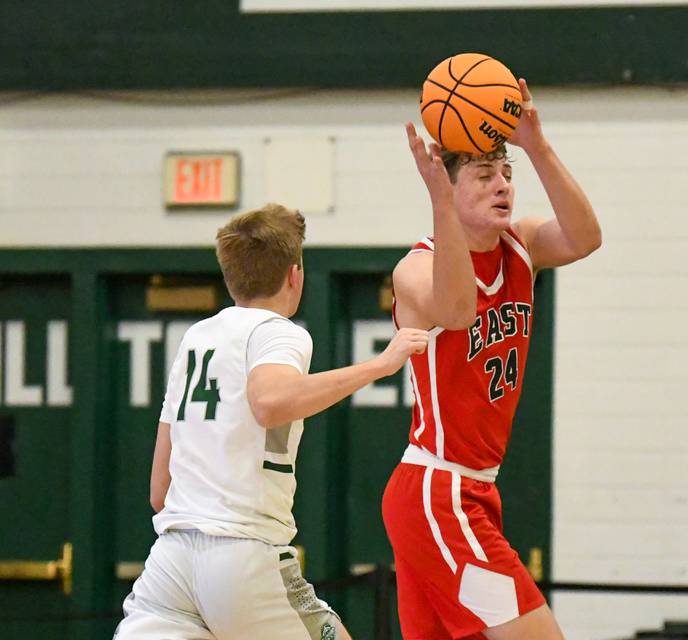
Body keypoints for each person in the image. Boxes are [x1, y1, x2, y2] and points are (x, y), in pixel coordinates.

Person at [114, 203, 428, 640]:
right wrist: (380, 365)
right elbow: (270, 400)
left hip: (171, 560)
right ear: (294, 275)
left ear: (230, 277)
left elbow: (159, 490)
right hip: (242, 555)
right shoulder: (279, 332)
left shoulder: (196, 339)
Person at [382, 79, 602, 640]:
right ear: (449, 191)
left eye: (506, 174)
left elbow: (585, 237)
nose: (503, 185)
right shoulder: (414, 269)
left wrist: (537, 145)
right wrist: (438, 205)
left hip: (474, 489)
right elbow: (456, 311)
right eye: (484, 175)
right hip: (439, 493)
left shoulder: (522, 246)